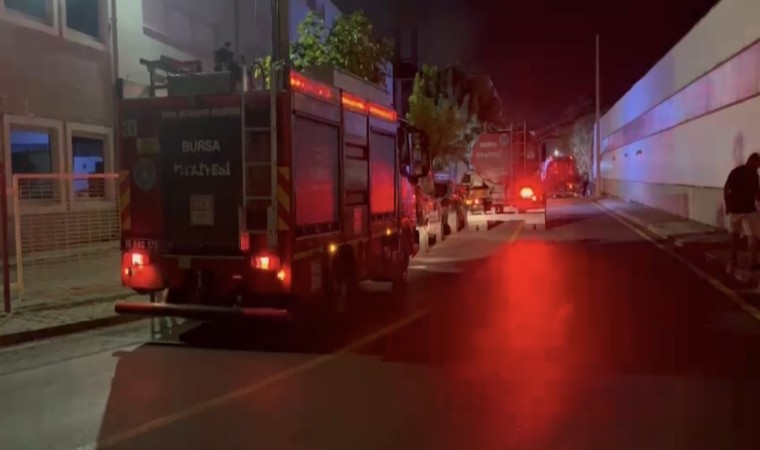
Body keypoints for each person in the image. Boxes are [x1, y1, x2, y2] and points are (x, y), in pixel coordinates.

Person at [724, 152, 760, 270]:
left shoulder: (736, 172)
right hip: (748, 210)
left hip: (734, 209)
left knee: (734, 235)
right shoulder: (753, 174)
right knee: (752, 235)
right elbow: (757, 193)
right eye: (758, 164)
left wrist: (727, 205)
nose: (758, 167)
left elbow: (726, 188)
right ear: (753, 161)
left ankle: (733, 259)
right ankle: (753, 262)